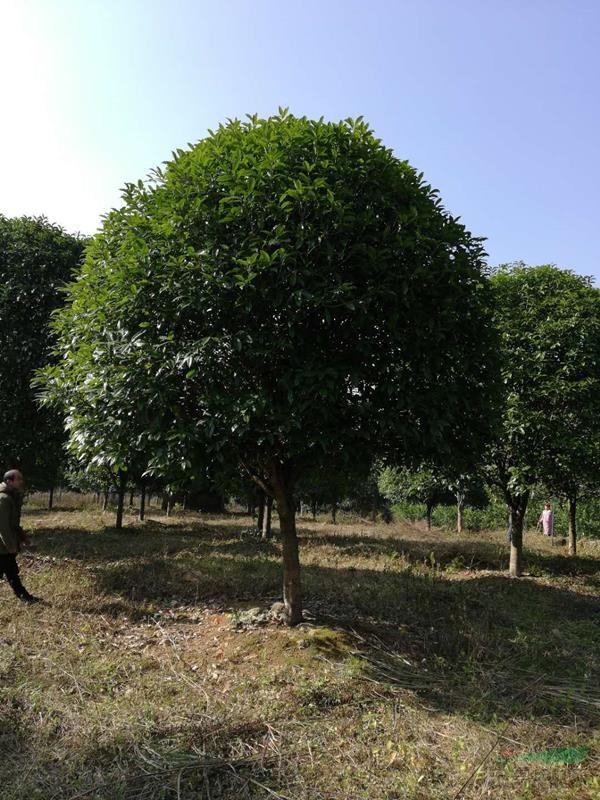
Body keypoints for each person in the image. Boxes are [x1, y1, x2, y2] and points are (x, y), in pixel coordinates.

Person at [0, 469, 39, 603]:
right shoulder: (3, 499)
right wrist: (10, 545)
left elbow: (13, 524)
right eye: (19, 479)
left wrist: (23, 537)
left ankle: (24, 597)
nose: (22, 482)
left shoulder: (11, 496)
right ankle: (25, 597)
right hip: (3, 545)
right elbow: (3, 526)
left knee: (9, 571)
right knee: (11, 571)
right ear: (9, 481)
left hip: (5, 544)